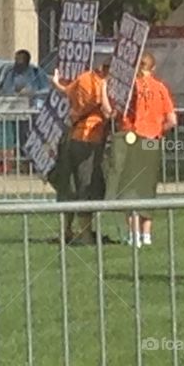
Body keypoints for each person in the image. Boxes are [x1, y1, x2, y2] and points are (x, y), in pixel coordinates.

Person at [49, 51, 113, 245]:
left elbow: (65, 90)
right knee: (88, 186)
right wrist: (104, 90)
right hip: (89, 139)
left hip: (72, 138)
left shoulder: (83, 77)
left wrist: (56, 81)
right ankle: (85, 235)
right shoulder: (101, 84)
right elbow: (107, 111)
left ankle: (67, 231)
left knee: (70, 186)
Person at [116, 52, 177, 247]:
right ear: (153, 68)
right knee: (148, 187)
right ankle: (147, 235)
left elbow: (114, 111)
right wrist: (158, 130)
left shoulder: (130, 87)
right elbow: (172, 120)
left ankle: (133, 235)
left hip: (133, 138)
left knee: (129, 188)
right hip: (152, 140)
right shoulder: (160, 88)